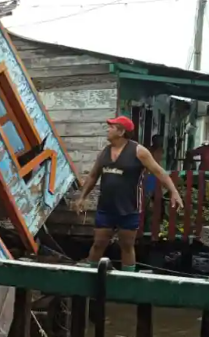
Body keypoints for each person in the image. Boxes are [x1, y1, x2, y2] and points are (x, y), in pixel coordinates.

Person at [74, 116, 184, 272]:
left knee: (126, 245)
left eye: (111, 127)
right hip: (106, 207)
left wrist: (174, 192)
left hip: (129, 207)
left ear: (121, 131)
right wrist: (82, 197)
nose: (108, 129)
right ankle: (90, 277)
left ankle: (128, 279)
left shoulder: (139, 151)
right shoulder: (104, 153)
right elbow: (93, 176)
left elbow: (160, 172)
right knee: (98, 243)